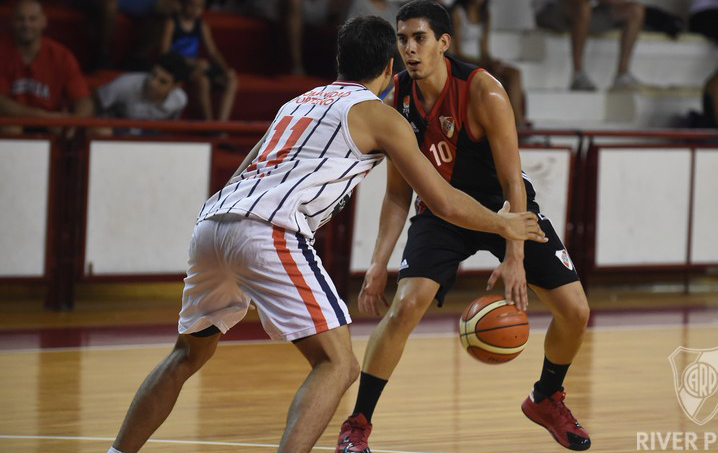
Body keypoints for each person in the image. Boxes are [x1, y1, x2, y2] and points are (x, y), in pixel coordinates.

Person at [102, 15, 545, 453]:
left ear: (340, 61)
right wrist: (502, 223)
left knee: (186, 355)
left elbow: (246, 168)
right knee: (338, 364)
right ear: (390, 69)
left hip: (214, 222)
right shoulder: (383, 116)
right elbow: (443, 201)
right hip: (269, 229)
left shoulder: (296, 103)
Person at [336, 2, 591, 452]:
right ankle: (358, 423)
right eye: (402, 39)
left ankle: (546, 396)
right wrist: (377, 264)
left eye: (419, 38)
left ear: (444, 43)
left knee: (575, 311)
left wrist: (514, 254)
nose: (409, 49)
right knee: (405, 306)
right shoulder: (396, 99)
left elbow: (514, 181)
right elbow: (398, 193)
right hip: (441, 212)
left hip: (503, 206)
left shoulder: (483, 91)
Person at [0, 0, 93, 135]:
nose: (26, 24)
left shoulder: (61, 55)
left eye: (32, 19)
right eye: (21, 19)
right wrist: (42, 117)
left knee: (100, 130)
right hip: (15, 121)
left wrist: (74, 122)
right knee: (11, 127)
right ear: (12, 22)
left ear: (43, 21)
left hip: (51, 124)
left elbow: (84, 100)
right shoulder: (2, 50)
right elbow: (1, 103)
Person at [534, 0, 644, 91]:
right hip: (551, 10)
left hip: (589, 10)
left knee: (635, 10)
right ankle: (578, 75)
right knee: (582, 7)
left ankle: (622, 76)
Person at [450, 0, 527, 128]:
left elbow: (484, 50)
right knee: (495, 79)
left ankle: (518, 122)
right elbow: (456, 52)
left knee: (515, 73)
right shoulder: (457, 13)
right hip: (463, 62)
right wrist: (482, 63)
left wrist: (491, 62)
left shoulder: (485, 14)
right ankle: (507, 125)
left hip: (481, 62)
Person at [160, 0, 238, 121]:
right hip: (178, 65)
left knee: (231, 80)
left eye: (199, 6)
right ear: (183, 4)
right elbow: (165, 53)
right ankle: (209, 123)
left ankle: (222, 124)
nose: (195, 9)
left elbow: (213, 52)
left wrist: (225, 69)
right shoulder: (172, 22)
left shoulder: (201, 25)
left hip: (196, 66)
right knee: (203, 81)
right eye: (192, 5)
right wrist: (192, 62)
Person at [93, 52, 190, 135]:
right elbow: (92, 102)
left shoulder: (179, 100)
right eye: (153, 74)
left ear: (175, 86)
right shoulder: (124, 84)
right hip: (116, 132)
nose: (153, 83)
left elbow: (168, 127)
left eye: (163, 82)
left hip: (150, 137)